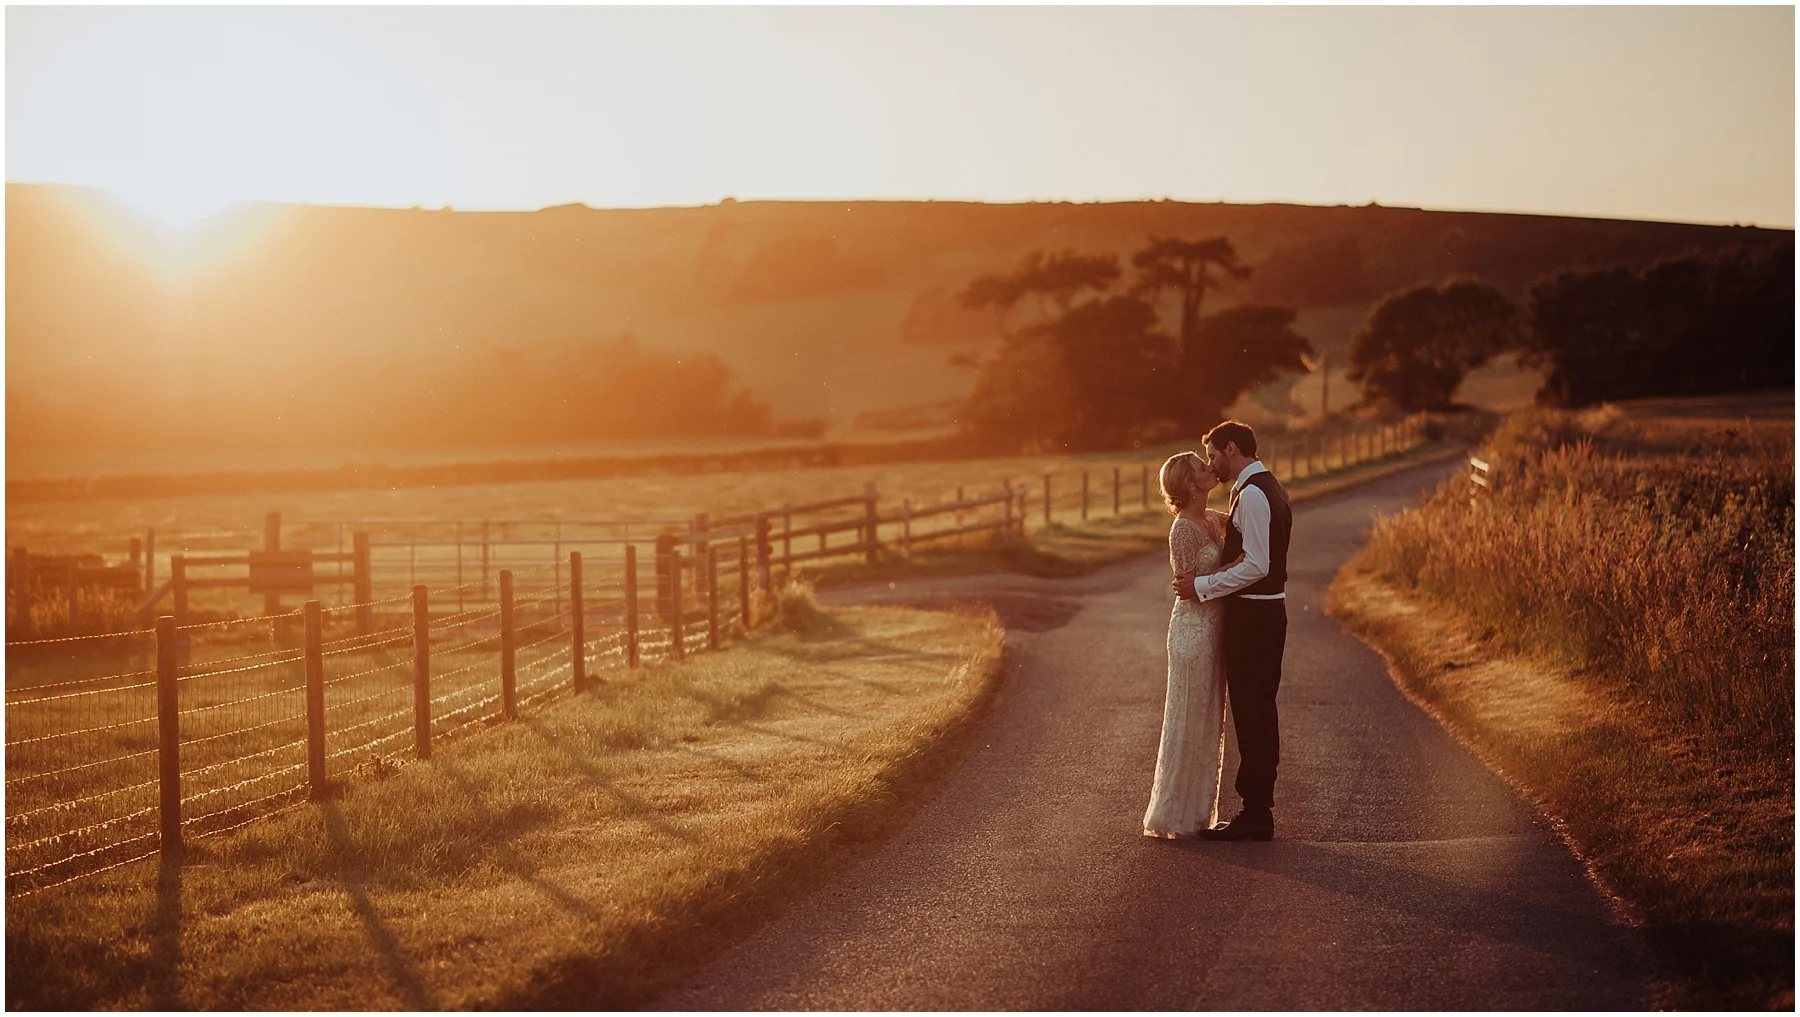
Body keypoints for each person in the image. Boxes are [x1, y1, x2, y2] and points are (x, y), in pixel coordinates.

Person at [1173, 420, 1291, 842]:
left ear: (1231, 448)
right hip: (1260, 616)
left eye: (1213, 456)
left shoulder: (1256, 493)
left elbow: (1257, 565)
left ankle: (1257, 813)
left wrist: (1203, 586)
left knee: (1255, 715)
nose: (1212, 464)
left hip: (1257, 619)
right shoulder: (1263, 487)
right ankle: (1256, 808)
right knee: (1255, 713)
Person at [1142, 452, 1232, 839]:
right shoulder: (1182, 530)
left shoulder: (1213, 518)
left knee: (1210, 719)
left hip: (1216, 632)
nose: (1210, 468)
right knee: (1187, 719)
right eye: (1201, 467)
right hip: (1192, 633)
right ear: (1190, 484)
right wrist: (1236, 577)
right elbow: (1188, 589)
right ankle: (1174, 814)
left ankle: (1198, 814)